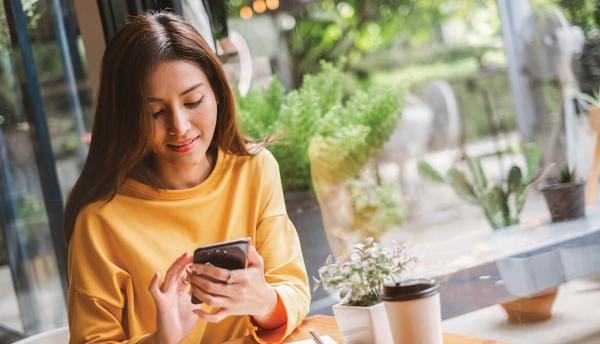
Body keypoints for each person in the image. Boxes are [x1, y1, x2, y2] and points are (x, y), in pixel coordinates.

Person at [64, 11, 309, 344]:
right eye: (155, 112)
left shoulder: (255, 170)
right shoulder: (100, 220)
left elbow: (292, 287)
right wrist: (160, 339)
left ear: (219, 93)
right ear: (127, 118)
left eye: (193, 101)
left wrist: (263, 301)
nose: (179, 126)